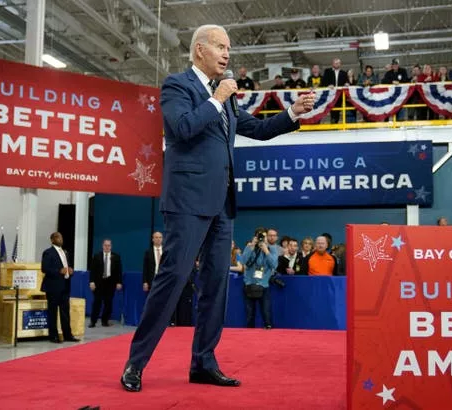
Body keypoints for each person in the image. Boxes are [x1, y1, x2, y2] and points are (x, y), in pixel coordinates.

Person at [120, 24, 314, 392]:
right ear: (199, 51)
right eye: (221, 47)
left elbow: (255, 129)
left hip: (222, 204)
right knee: (173, 280)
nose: (228, 54)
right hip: (187, 202)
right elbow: (181, 128)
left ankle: (203, 363)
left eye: (229, 48)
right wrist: (216, 98)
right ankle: (135, 363)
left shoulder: (225, 96)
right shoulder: (178, 86)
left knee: (216, 286)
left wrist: (292, 112)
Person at [40, 232, 80, 344]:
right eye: (58, 237)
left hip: (65, 285)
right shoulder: (48, 252)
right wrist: (58, 271)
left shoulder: (65, 252)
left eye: (61, 237)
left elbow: (67, 266)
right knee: (52, 312)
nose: (60, 239)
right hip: (53, 287)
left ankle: (68, 335)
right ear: (52, 240)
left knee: (65, 312)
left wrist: (70, 271)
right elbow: (44, 268)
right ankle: (53, 336)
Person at [242, 228, 277, 329]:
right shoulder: (250, 247)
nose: (262, 239)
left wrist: (266, 251)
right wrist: (252, 245)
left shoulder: (272, 249)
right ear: (255, 237)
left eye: (264, 237)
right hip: (249, 284)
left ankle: (268, 329)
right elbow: (244, 261)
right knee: (249, 314)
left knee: (266, 313)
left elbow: (274, 265)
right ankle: (249, 334)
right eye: (260, 236)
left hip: (264, 285)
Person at [89, 239, 123, 328]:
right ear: (102, 246)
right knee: (97, 302)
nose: (107, 247)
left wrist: (119, 282)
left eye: (109, 245)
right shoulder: (97, 256)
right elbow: (93, 270)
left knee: (108, 303)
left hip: (110, 283)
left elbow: (119, 271)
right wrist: (92, 282)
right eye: (105, 245)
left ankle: (105, 321)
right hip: (99, 282)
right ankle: (93, 321)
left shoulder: (116, 257)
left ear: (111, 246)